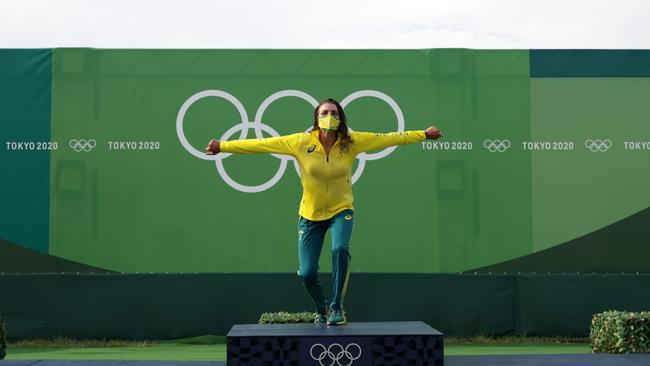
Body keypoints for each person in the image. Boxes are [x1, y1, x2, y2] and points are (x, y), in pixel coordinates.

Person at [206, 98, 442, 325]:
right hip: (310, 214)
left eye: (334, 113)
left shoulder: (353, 141)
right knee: (306, 274)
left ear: (341, 118)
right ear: (316, 118)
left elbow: (389, 138)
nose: (329, 117)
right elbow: (259, 144)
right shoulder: (300, 142)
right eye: (324, 113)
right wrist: (223, 147)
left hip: (341, 209)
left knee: (340, 248)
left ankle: (337, 306)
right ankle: (322, 308)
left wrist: (423, 134)